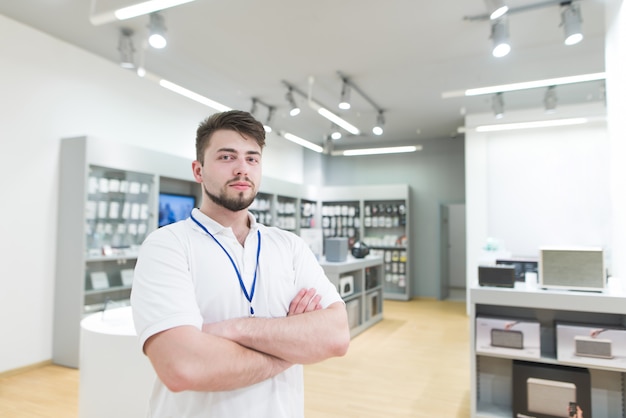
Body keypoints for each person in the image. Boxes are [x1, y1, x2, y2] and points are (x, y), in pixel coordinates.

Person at [131, 110, 350, 418]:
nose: (242, 169)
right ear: (198, 170)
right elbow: (183, 366)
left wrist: (229, 329)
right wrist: (287, 349)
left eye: (252, 158)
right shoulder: (167, 246)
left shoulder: (289, 246)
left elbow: (336, 336)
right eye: (226, 157)